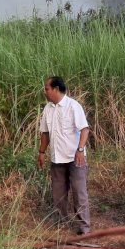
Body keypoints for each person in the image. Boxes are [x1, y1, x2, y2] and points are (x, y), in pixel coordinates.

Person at [38, 76, 92, 235]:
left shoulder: (73, 106)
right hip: (57, 158)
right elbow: (45, 133)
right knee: (58, 195)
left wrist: (80, 150)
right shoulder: (48, 109)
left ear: (55, 89)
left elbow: (84, 129)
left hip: (75, 158)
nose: (45, 91)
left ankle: (84, 228)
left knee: (79, 193)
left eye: (47, 88)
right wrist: (41, 152)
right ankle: (61, 226)